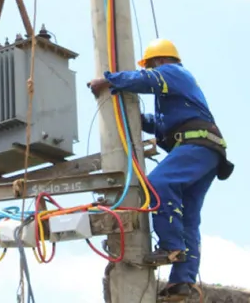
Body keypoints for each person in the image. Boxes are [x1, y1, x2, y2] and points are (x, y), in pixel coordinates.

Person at [87, 38, 233, 300]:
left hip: (196, 145)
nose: (153, 68)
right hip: (206, 150)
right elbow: (163, 124)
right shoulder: (178, 97)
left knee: (158, 184)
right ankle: (182, 282)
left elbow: (147, 80)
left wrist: (109, 80)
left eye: (153, 64)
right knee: (187, 216)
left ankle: (170, 246)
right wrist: (136, 119)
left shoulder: (175, 73)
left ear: (161, 61)